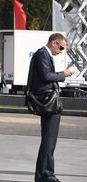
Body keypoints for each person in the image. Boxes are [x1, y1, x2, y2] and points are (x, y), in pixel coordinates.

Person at [28, 33, 74, 182]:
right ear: (54, 43)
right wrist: (63, 74)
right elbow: (46, 76)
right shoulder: (42, 54)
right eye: (61, 47)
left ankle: (44, 174)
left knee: (49, 140)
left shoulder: (44, 54)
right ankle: (46, 175)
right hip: (48, 103)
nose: (61, 51)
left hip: (48, 101)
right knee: (49, 140)